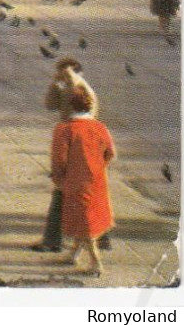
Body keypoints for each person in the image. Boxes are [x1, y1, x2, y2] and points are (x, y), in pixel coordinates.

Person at [32, 59, 102, 253]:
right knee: (81, 196)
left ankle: (53, 241)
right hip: (73, 143)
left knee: (64, 194)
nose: (64, 77)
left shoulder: (84, 92)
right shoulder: (67, 88)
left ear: (78, 73)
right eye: (60, 73)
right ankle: (100, 239)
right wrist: (54, 85)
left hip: (80, 147)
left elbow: (85, 120)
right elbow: (50, 105)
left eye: (67, 73)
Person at [50, 89, 116, 278]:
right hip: (97, 180)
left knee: (85, 221)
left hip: (75, 181)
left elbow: (59, 159)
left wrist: (59, 178)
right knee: (90, 217)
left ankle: (96, 262)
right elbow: (110, 153)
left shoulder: (64, 129)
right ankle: (74, 254)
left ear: (71, 106)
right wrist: (98, 167)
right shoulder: (100, 127)